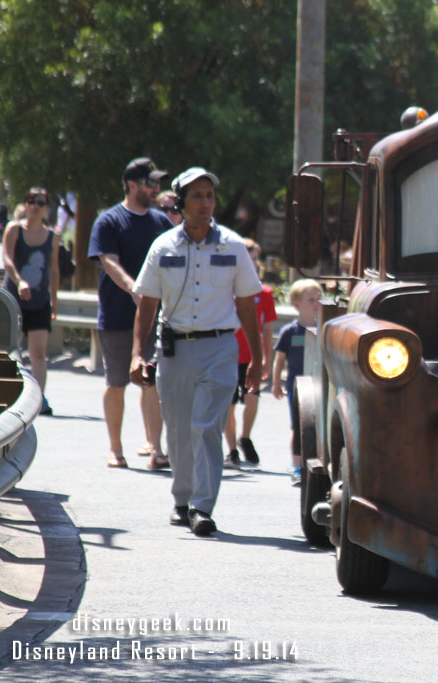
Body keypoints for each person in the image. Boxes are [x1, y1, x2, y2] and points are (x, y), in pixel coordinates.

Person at [130, 166, 263, 537]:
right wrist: (137, 354)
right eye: (197, 197)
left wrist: (257, 357)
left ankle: (203, 508)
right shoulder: (163, 246)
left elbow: (248, 306)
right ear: (181, 202)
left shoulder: (233, 246)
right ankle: (182, 499)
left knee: (207, 427)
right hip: (174, 349)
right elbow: (148, 303)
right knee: (178, 429)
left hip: (220, 347)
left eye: (210, 196)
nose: (206, 203)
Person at [88, 157, 173, 469]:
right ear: (133, 185)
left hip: (154, 317)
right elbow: (108, 262)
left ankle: (156, 448)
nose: (156, 189)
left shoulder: (161, 222)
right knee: (117, 382)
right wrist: (135, 289)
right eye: (151, 183)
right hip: (117, 314)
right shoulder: (109, 221)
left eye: (158, 184)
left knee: (153, 380)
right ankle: (116, 448)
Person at [2, 187, 59, 415]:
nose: (36, 206)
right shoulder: (14, 229)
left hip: (39, 301)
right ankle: (9, 396)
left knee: (38, 351)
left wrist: (54, 298)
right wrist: (19, 280)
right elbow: (6, 258)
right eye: (32, 201)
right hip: (13, 300)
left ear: (46, 208)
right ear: (25, 205)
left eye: (41, 202)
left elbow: (53, 269)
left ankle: (38, 400)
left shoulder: (52, 236)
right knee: (11, 351)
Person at [224, 238, 276, 468]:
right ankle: (232, 450)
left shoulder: (264, 293)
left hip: (251, 355)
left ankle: (245, 437)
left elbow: (267, 328)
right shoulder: (224, 290)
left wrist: (266, 359)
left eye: (255, 259)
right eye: (247, 258)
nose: (251, 263)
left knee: (252, 397)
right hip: (226, 355)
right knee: (228, 403)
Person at [272, 279, 323, 485]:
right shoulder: (290, 331)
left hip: (317, 385)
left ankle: (314, 462)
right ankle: (297, 466)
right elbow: (280, 359)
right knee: (298, 427)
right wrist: (276, 383)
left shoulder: (323, 329)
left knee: (316, 426)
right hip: (296, 387)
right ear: (297, 304)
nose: (316, 303)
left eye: (319, 298)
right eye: (311, 299)